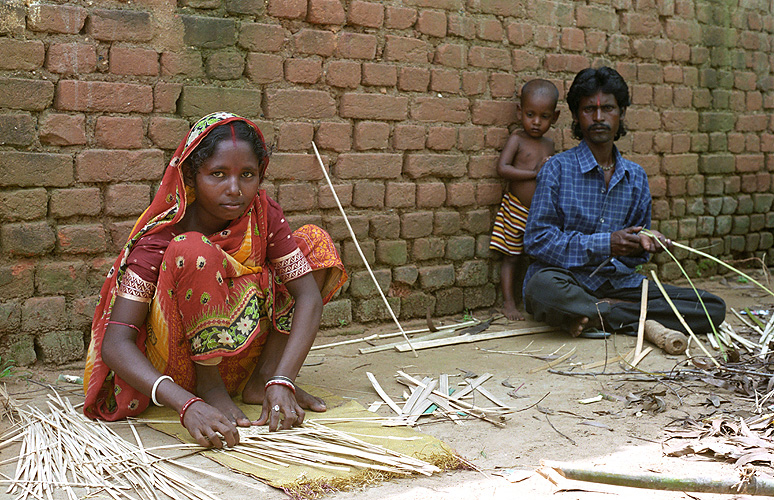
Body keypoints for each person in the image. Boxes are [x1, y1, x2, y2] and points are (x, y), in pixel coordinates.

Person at [83, 112, 347, 448]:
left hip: (244, 358)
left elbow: (307, 296)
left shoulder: (262, 215)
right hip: (180, 371)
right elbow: (115, 344)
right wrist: (186, 404)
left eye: (247, 175)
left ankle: (264, 378)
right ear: (192, 175)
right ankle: (210, 388)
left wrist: (284, 378)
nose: (235, 189)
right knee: (194, 250)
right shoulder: (162, 238)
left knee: (314, 242)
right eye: (218, 174)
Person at [523, 67, 725, 338]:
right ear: (575, 116)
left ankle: (600, 313)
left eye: (608, 108)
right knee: (541, 288)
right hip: (568, 280)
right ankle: (619, 313)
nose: (598, 117)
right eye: (588, 110)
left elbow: (636, 253)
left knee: (711, 307)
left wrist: (646, 240)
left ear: (622, 113)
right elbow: (537, 240)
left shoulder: (635, 176)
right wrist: (606, 243)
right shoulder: (557, 169)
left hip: (618, 283)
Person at [489, 79, 560, 321]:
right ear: (520, 112)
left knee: (536, 258)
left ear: (555, 117)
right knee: (511, 256)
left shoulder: (549, 144)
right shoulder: (517, 139)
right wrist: (533, 174)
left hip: (539, 212)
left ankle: (531, 300)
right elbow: (503, 168)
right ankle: (508, 302)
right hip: (516, 209)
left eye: (544, 116)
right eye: (530, 114)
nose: (536, 122)